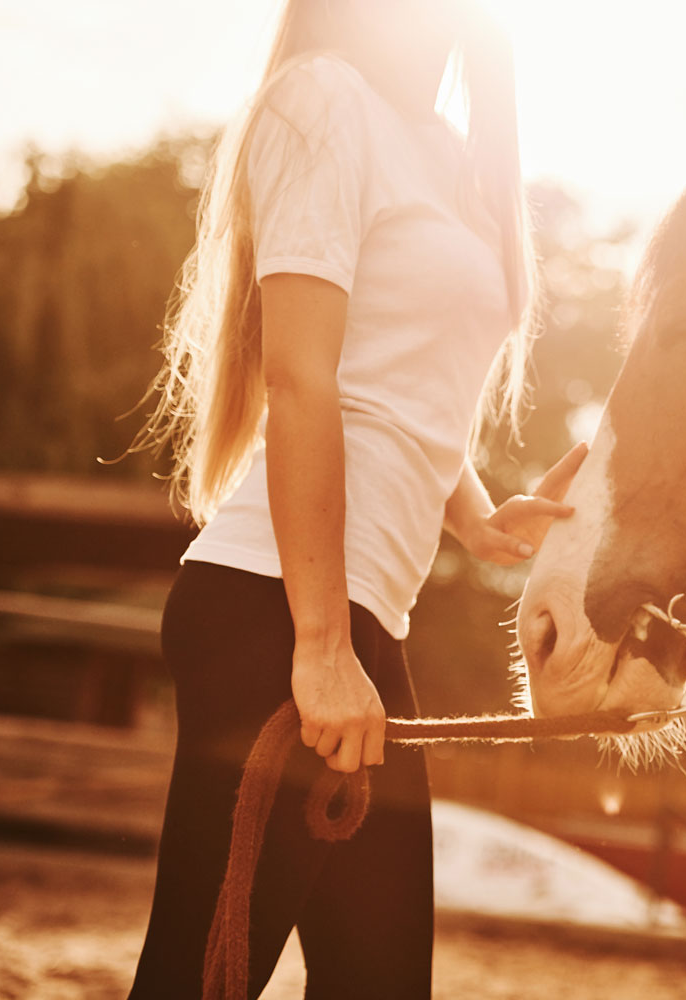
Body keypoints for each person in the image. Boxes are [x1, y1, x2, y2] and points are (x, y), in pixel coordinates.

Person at [123, 1, 584, 995]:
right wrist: (321, 644)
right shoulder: (323, 101)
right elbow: (302, 375)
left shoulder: (447, 152)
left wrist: (473, 515)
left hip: (359, 623)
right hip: (276, 613)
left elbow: (397, 377)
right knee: (196, 979)